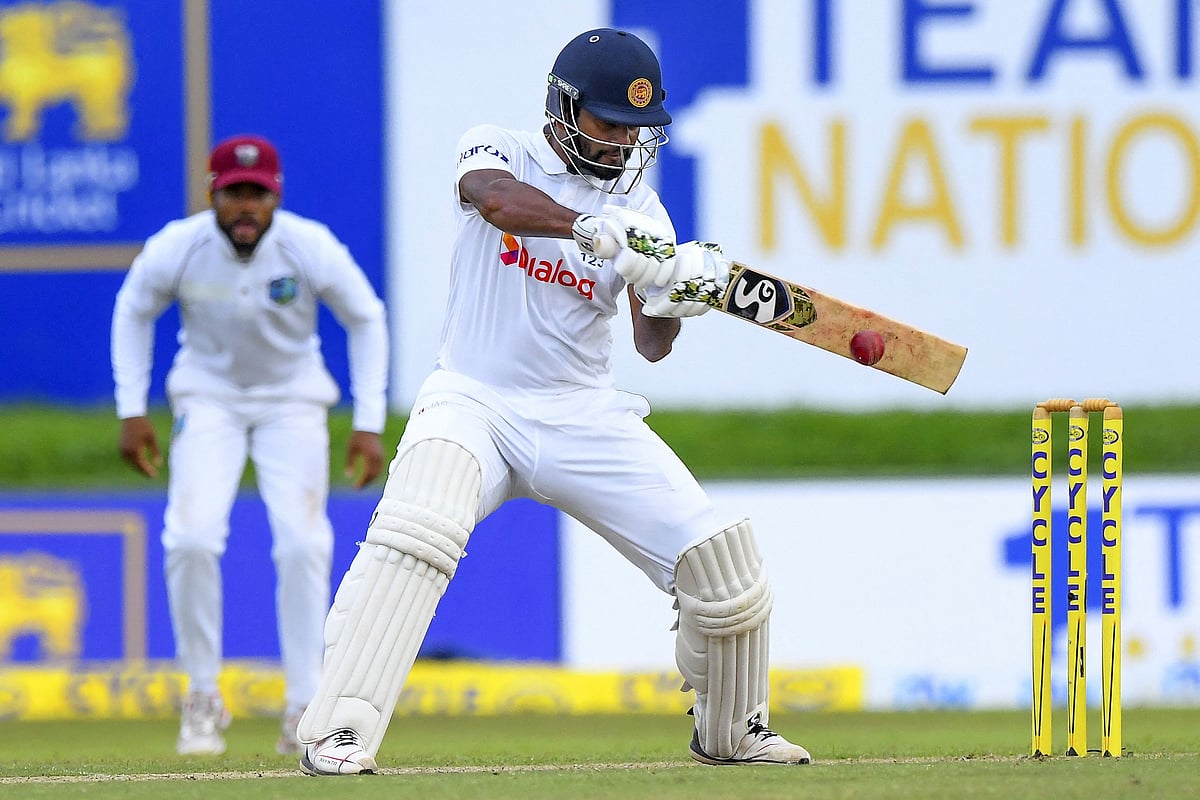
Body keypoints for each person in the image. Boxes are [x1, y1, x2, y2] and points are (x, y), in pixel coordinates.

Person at [295, 28, 811, 775]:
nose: (621, 142)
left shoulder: (645, 210)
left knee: (722, 561)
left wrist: (675, 292)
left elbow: (652, 345)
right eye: (607, 122)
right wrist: (587, 228)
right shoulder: (497, 148)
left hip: (582, 413)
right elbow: (495, 203)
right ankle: (336, 732)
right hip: (474, 397)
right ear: (563, 107)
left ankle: (733, 732)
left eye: (636, 128)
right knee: (420, 526)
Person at [110, 134, 390, 757]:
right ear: (211, 193)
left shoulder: (307, 245)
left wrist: (368, 422)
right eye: (234, 193)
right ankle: (203, 697)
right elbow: (133, 309)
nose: (246, 208)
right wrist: (133, 410)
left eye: (257, 195)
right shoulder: (178, 248)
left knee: (301, 543)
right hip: (207, 400)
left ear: (276, 197)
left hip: (293, 402)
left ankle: (303, 706)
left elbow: (366, 316)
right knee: (190, 538)